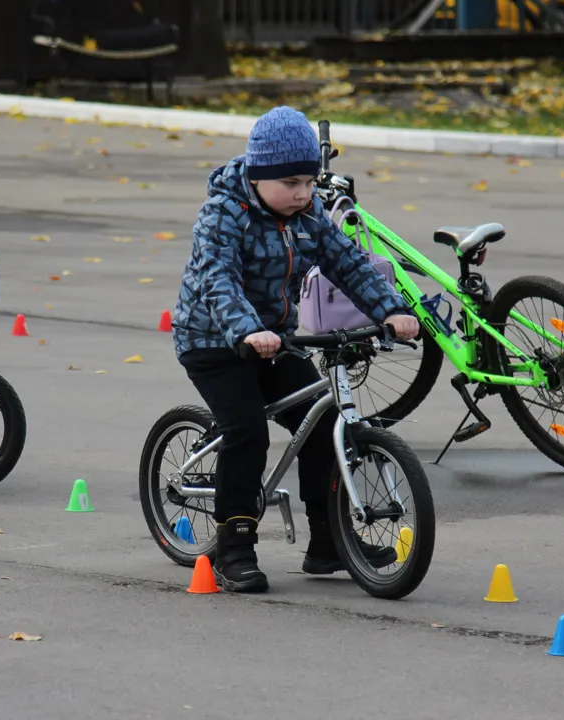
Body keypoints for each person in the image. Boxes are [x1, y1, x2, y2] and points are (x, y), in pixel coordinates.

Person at [171, 105, 420, 593]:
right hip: (213, 341)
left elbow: (347, 263)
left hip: (275, 340)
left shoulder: (306, 215)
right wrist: (246, 331)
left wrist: (391, 310)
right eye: (291, 183)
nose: (304, 193)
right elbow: (218, 279)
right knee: (247, 431)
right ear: (260, 177)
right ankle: (234, 546)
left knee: (326, 426)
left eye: (309, 181)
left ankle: (330, 542)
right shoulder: (223, 213)